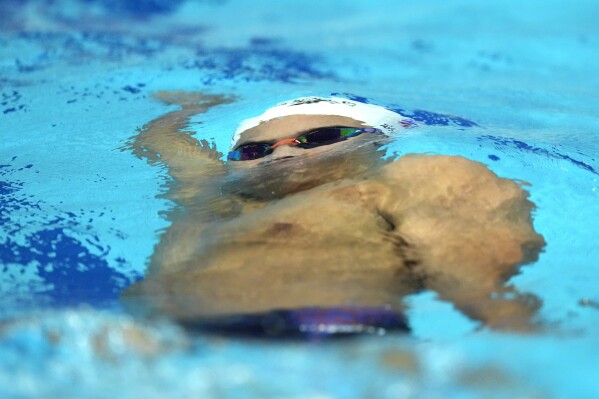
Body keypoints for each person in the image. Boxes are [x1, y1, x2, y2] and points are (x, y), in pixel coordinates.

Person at [122, 91, 545, 335]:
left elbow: (478, 284)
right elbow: (168, 150)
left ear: (379, 141)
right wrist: (184, 110)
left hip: (322, 341)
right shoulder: (216, 200)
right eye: (254, 150)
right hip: (156, 345)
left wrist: (520, 339)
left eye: (317, 137)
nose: (282, 152)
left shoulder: (410, 178)